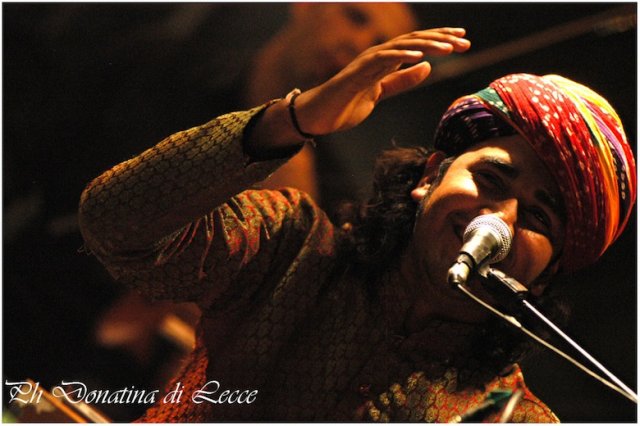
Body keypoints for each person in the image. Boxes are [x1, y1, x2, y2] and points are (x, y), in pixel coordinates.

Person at [78, 27, 636, 422]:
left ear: (548, 271)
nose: (501, 220)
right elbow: (114, 223)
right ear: (431, 176)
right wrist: (293, 120)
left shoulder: (509, 419)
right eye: (490, 180)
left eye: (538, 216)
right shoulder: (289, 247)